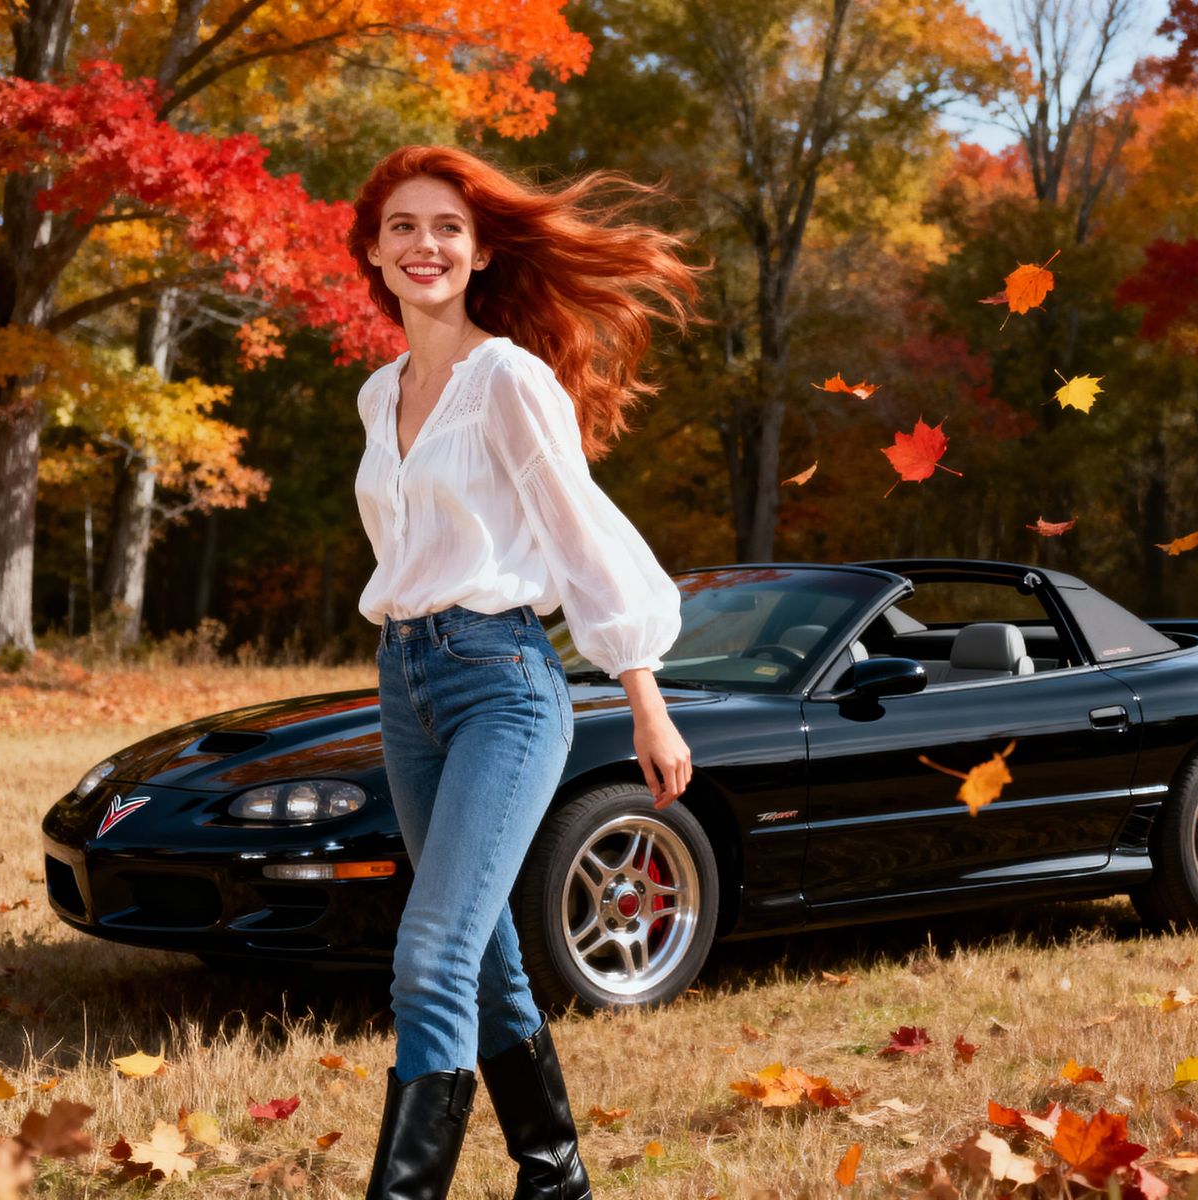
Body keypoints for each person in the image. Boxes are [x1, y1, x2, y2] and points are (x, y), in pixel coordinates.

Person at [345, 144, 703, 1200]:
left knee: (430, 959)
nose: (425, 244)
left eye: (447, 227)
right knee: (485, 960)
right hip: (406, 682)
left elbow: (582, 532)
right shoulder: (380, 394)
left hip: (502, 681)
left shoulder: (508, 377)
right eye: (402, 226)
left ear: (482, 248)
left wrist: (645, 698)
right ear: (371, 250)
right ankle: (555, 1179)